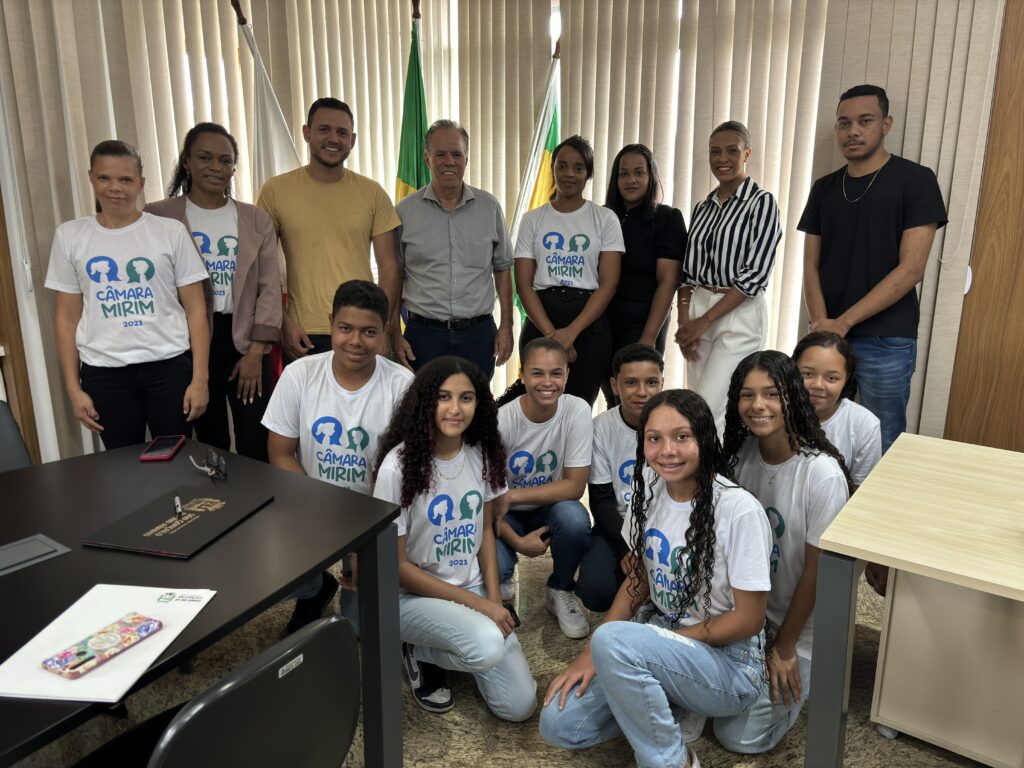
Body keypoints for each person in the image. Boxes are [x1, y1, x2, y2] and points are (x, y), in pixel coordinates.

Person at [540, 390, 772, 768]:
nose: (668, 450)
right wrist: (589, 657)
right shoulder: (647, 487)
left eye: (682, 437)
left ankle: (673, 760)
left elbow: (750, 619)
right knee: (561, 724)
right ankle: (676, 707)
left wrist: (659, 645)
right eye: (654, 438)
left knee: (612, 638)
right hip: (662, 636)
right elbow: (639, 580)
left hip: (731, 664)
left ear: (704, 439)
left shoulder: (738, 509)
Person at [373, 356, 536, 721]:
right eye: (443, 397)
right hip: (409, 599)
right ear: (425, 401)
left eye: (466, 398)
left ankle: (454, 645)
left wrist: (494, 600)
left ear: (479, 404)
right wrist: (482, 609)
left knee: (519, 707)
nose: (454, 408)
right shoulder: (396, 468)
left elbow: (483, 535)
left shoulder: (481, 454)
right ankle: (418, 649)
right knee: (487, 644)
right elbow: (396, 568)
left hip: (471, 589)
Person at [799, 84, 947, 452]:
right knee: (815, 430)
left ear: (885, 124)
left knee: (884, 436)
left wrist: (842, 323)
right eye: (844, 123)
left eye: (865, 121)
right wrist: (822, 328)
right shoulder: (824, 188)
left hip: (886, 337)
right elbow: (809, 264)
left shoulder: (915, 180)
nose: (853, 131)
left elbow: (911, 269)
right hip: (829, 333)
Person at [716, 350, 851, 753]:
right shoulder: (740, 459)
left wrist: (785, 646)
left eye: (771, 394)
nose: (757, 405)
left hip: (800, 631)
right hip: (748, 620)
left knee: (738, 738)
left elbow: (817, 572)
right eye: (747, 395)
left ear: (791, 396)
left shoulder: (821, 474)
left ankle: (800, 687)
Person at [262, 280, 413, 633]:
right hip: (311, 504)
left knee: (360, 628)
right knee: (266, 562)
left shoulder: (402, 385)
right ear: (330, 323)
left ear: (386, 331)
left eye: (368, 331)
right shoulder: (300, 374)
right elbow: (280, 453)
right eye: (345, 328)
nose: (355, 341)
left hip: (375, 513)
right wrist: (322, 514)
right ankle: (314, 586)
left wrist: (364, 541)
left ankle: (351, 575)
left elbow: (405, 476)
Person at [46, 140, 210, 450]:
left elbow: (196, 312)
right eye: (105, 178)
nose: (115, 188)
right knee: (122, 466)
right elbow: (67, 319)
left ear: (140, 184)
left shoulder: (170, 232)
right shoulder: (70, 236)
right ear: (91, 177)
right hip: (105, 374)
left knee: (174, 459)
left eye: (125, 179)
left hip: (169, 367)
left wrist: (200, 380)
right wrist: (73, 389)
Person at [146, 122, 282, 461]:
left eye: (224, 160)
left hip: (245, 339)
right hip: (187, 343)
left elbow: (270, 288)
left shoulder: (255, 218)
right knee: (209, 437)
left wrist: (255, 354)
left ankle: (260, 506)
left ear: (233, 167)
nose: (215, 168)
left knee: (254, 438)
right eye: (205, 158)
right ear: (187, 162)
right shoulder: (159, 216)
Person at [257, 98, 401, 360]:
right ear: (307, 132)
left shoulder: (372, 193)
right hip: (304, 332)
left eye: (342, 132)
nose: (333, 138)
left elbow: (390, 267)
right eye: (324, 130)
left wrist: (382, 328)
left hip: (363, 328)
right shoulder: (276, 190)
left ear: (352, 140)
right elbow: (262, 266)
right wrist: (284, 323)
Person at [675, 121, 781, 434]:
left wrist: (703, 321)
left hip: (736, 311)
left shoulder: (761, 203)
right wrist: (685, 320)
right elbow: (688, 273)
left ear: (746, 153)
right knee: (696, 404)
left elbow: (754, 276)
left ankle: (714, 482)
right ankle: (702, 478)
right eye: (714, 151)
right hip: (697, 308)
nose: (722, 158)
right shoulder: (702, 207)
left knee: (712, 408)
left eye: (731, 150)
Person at [392, 120, 513, 379]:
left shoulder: (489, 207)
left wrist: (506, 326)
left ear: (466, 159)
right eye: (441, 154)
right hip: (423, 336)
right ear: (427, 158)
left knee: (477, 411)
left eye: (456, 154)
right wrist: (392, 332)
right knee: (425, 412)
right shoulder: (404, 212)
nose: (449, 161)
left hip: (477, 335)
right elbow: (395, 275)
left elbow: (502, 269)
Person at [514, 135, 624, 406]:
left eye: (578, 168)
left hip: (589, 323)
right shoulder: (532, 219)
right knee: (539, 404)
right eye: (562, 166)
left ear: (588, 173)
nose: (569, 174)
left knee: (578, 407)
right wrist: (553, 336)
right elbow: (524, 285)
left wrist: (571, 333)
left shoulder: (605, 218)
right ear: (553, 169)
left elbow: (608, 284)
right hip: (542, 319)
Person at [495, 338, 593, 639]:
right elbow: (488, 502)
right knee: (495, 572)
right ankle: (505, 570)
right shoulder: (502, 421)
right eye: (537, 373)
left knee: (575, 519)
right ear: (522, 375)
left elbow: (575, 486)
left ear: (567, 375)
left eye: (556, 373)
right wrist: (518, 541)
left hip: (546, 507)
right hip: (503, 514)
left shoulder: (576, 410)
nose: (547, 382)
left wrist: (512, 495)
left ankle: (560, 588)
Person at [576, 343, 664, 612]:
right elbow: (601, 500)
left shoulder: (677, 421)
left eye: (651, 382)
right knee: (596, 595)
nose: (641, 392)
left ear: (663, 382)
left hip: (665, 527)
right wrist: (632, 547)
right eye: (631, 383)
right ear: (614, 386)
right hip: (617, 527)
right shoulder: (601, 428)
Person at [601, 144, 685, 406]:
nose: (631, 180)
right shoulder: (602, 216)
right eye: (623, 174)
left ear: (651, 177)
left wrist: (647, 339)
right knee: (611, 395)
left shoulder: (666, 218)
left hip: (643, 322)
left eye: (639, 173)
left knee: (637, 401)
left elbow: (669, 281)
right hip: (601, 322)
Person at [792, 331, 881, 488]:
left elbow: (860, 489)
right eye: (807, 374)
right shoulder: (775, 412)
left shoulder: (864, 423)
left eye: (832, 378)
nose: (818, 385)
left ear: (846, 379)